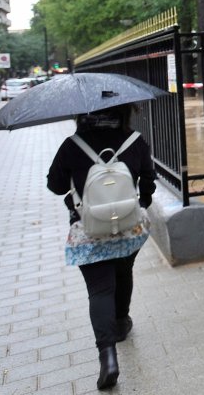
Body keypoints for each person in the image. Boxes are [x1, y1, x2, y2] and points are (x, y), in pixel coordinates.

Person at [47, 104, 156, 390]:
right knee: (124, 272)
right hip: (128, 227)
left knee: (100, 289)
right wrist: (142, 203)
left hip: (89, 230)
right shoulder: (134, 140)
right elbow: (149, 178)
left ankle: (108, 357)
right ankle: (121, 322)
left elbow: (56, 186)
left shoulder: (72, 146)